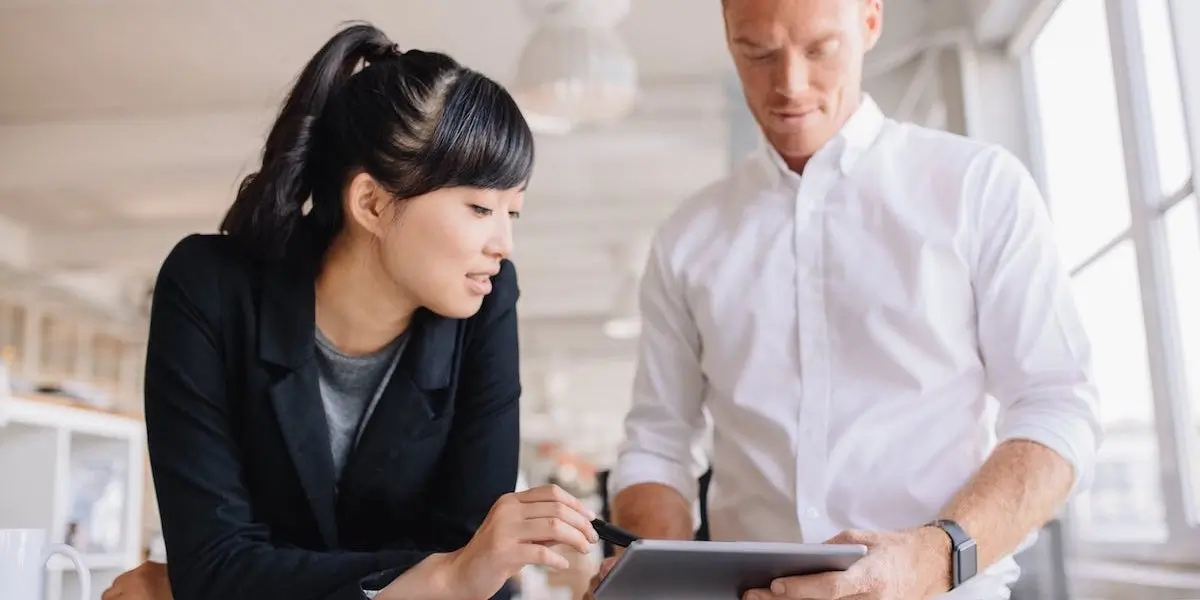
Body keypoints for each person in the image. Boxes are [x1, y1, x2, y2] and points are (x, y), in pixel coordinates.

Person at [596, 1, 1103, 599]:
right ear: (729, 40)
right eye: (757, 51)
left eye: (819, 49)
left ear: (869, 22)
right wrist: (657, 581)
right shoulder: (688, 237)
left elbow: (1056, 406)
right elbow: (657, 445)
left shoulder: (978, 187)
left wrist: (931, 559)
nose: (789, 84)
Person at [100, 22, 599, 600]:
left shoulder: (486, 301)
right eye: (480, 208)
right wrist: (443, 576)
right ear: (372, 202)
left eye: (512, 214)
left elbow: (477, 566)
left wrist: (204, 585)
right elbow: (213, 565)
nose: (503, 245)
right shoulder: (209, 288)